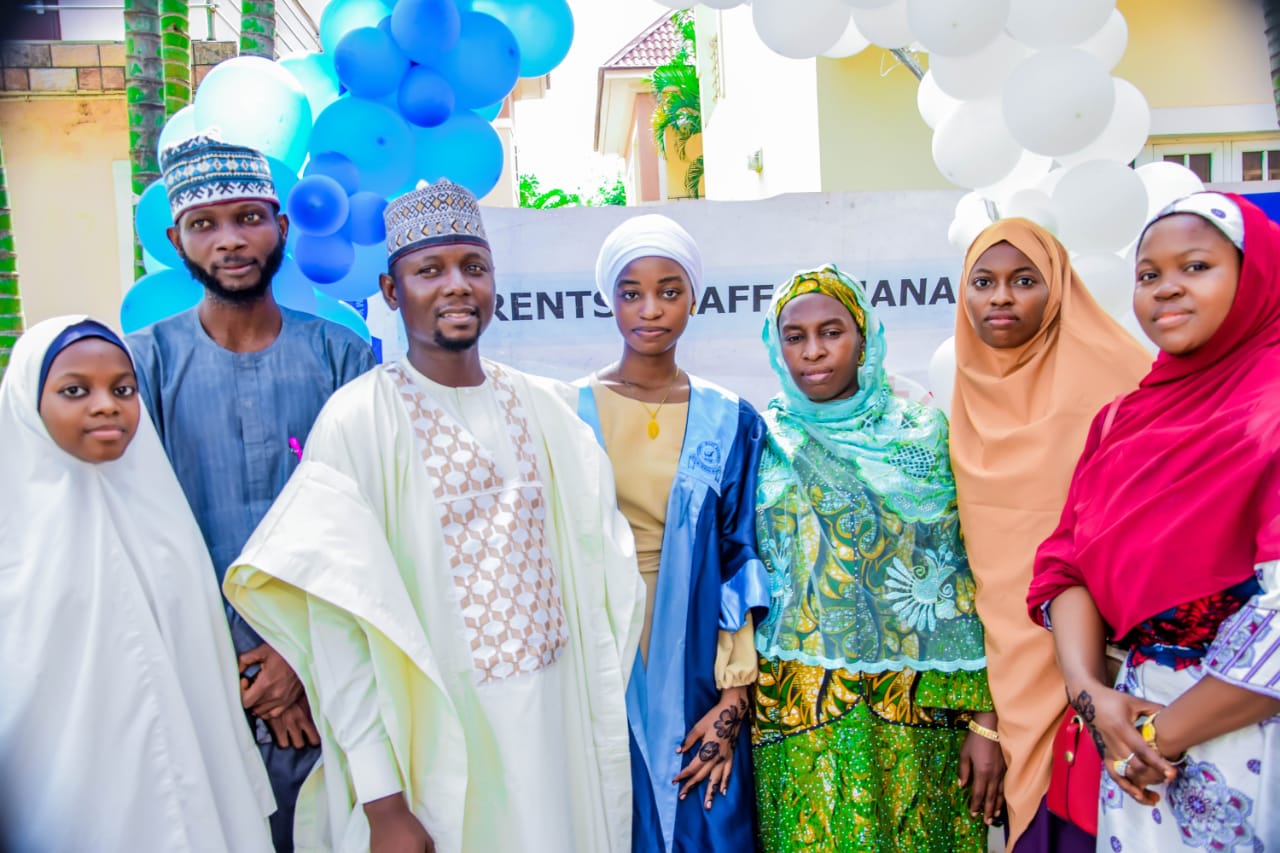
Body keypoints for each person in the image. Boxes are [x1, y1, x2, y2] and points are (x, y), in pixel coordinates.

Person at [222, 178, 645, 853]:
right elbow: (342, 629)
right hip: (432, 762)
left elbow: (604, 588)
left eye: (473, 267)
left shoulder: (546, 412)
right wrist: (383, 801)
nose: (456, 285)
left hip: (554, 746)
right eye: (429, 270)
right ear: (393, 292)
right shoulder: (358, 420)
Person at [126, 132, 376, 851]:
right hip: (193, 688)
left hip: (332, 681)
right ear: (177, 240)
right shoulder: (142, 367)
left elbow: (367, 526)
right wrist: (236, 669)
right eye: (206, 225)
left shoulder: (343, 358)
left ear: (283, 228)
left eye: (249, 218)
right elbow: (137, 532)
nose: (230, 240)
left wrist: (294, 655)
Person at [1028, 192, 1280, 851]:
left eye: (1196, 266)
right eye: (1148, 274)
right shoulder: (1122, 421)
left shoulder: (1272, 402)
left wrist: (1151, 739)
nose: (1166, 289)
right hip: (1129, 730)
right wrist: (1092, 696)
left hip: (1247, 732)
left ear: (1255, 274)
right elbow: (1067, 563)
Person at [751, 265, 1003, 853]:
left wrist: (986, 721)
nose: (813, 352)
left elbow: (973, 582)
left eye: (832, 331)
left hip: (920, 715)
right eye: (795, 336)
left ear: (863, 336)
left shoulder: (924, 436)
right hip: (800, 715)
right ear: (775, 345)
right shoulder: (761, 439)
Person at [0, 316, 275, 852]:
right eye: (75, 390)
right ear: (27, 405)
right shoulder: (12, 540)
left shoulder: (165, 519)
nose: (106, 405)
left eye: (122, 389)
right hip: (68, 801)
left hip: (192, 792)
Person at [949, 218, 1151, 850]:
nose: (1000, 297)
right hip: (1011, 682)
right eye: (983, 282)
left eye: (1024, 280)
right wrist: (984, 715)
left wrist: (1093, 678)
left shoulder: (1122, 380)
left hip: (1111, 677)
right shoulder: (964, 397)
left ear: (1059, 287)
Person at [574, 215, 768, 852]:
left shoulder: (730, 417)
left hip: (695, 658)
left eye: (669, 290)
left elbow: (742, 553)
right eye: (631, 292)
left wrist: (733, 698)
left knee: (706, 810)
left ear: (695, 298)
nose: (650, 309)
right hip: (599, 648)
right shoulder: (564, 411)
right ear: (610, 299)